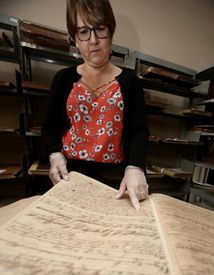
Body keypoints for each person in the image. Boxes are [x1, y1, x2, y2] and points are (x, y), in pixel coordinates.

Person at [42, 0, 149, 210]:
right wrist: (55, 155)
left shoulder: (130, 82)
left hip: (114, 180)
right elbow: (50, 127)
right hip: (69, 176)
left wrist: (135, 167)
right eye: (83, 31)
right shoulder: (63, 78)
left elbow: (139, 130)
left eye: (99, 29)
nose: (93, 40)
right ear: (75, 37)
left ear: (110, 31)